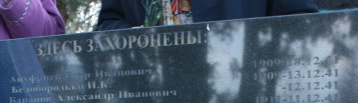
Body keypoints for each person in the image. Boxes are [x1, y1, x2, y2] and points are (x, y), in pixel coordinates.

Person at [96, 0, 318, 30]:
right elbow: (109, 22)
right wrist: (132, 38)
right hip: (153, 102)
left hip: (237, 97)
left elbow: (298, 21)